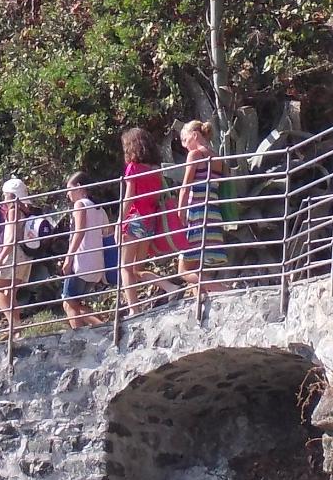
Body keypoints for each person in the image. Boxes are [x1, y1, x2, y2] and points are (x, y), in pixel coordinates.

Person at [118, 127, 178, 312]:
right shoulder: (155, 169)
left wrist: (119, 221)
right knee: (136, 269)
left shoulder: (133, 168)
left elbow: (129, 198)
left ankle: (133, 309)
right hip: (149, 221)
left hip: (135, 218)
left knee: (125, 268)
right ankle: (170, 287)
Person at [175, 120, 227, 292]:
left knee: (183, 270)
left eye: (184, 139)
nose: (184, 145)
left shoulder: (195, 155)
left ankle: (223, 290)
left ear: (195, 135)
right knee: (197, 266)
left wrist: (180, 212)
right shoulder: (217, 158)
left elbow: (186, 186)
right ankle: (200, 302)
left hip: (196, 213)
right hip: (212, 213)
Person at [60, 174, 113, 328]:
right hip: (96, 264)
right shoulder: (99, 209)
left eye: (69, 189)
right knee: (74, 303)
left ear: (79, 187)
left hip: (81, 263)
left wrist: (69, 258)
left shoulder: (80, 205)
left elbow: (80, 231)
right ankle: (104, 327)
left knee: (69, 303)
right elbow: (106, 232)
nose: (67, 194)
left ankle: (80, 336)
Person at [0, 176, 37, 331]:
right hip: (25, 255)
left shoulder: (13, 211)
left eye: (5, 194)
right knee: (10, 294)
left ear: (11, 195)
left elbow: (10, 239)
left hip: (13, 255)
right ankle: (15, 330)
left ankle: (15, 326)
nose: (3, 198)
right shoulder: (25, 211)